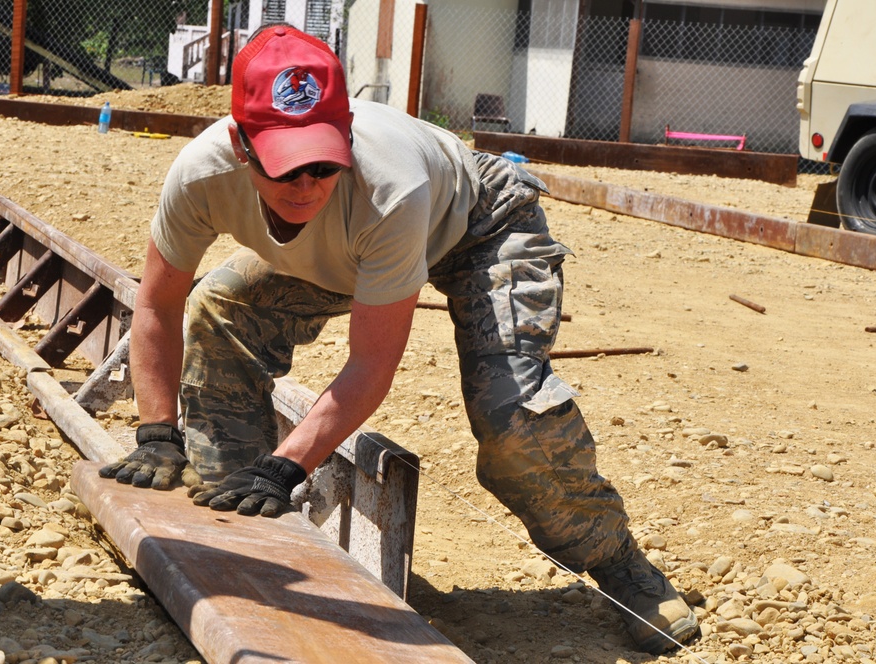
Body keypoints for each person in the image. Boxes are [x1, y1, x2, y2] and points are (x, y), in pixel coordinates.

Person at [98, 24, 699, 655]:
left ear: (347, 136)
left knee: (513, 417)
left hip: (477, 225)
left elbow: (371, 363)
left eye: (323, 164)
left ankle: (621, 566)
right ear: (241, 146)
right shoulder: (200, 175)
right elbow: (158, 304)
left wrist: (285, 467)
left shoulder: (389, 186)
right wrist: (157, 432)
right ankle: (238, 531)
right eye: (286, 167)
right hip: (349, 249)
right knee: (219, 314)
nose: (306, 186)